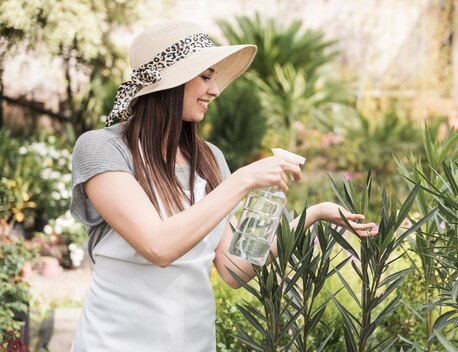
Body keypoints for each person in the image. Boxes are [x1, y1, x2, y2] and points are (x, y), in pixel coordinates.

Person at [69, 20, 377, 351]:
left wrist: (311, 216)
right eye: (205, 76)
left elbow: (233, 269)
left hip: (194, 342)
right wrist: (244, 179)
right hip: (115, 342)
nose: (215, 90)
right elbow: (157, 246)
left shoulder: (209, 158)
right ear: (170, 82)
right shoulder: (102, 149)